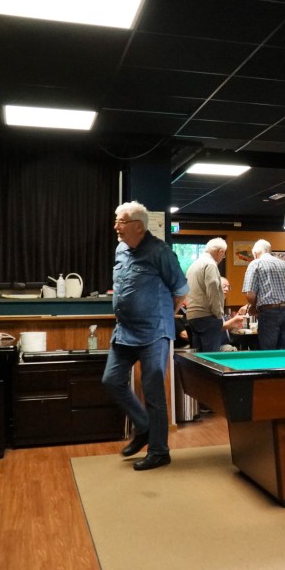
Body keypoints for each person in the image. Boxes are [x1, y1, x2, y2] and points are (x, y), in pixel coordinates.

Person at [101, 201, 188, 472]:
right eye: (116, 220)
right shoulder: (121, 249)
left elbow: (181, 290)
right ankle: (144, 426)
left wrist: (164, 314)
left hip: (154, 333)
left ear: (138, 226)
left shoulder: (160, 252)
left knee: (153, 392)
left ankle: (159, 451)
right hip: (125, 330)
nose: (116, 226)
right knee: (111, 381)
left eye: (121, 221)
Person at [242, 239, 285, 350]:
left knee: (268, 351)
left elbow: (250, 295)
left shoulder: (255, 264)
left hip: (269, 311)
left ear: (255, 253)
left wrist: (253, 306)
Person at [185, 238, 233, 353]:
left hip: (192, 316)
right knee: (211, 357)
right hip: (207, 317)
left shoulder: (193, 265)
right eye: (224, 255)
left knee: (199, 357)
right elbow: (213, 289)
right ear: (220, 251)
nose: (222, 258)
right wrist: (218, 314)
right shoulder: (210, 264)